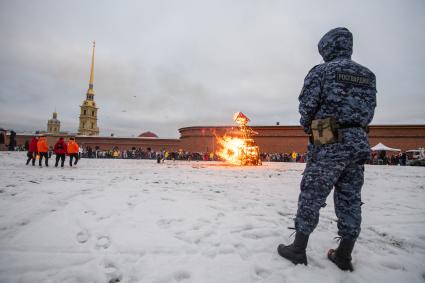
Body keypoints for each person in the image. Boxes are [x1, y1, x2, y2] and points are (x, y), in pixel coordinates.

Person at [277, 27, 377, 271]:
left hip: (328, 133)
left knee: (312, 193)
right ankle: (344, 254)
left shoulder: (322, 71)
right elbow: (370, 110)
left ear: (327, 47)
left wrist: (311, 129)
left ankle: (298, 249)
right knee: (350, 197)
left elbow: (307, 107)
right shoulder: (368, 75)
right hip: (358, 138)